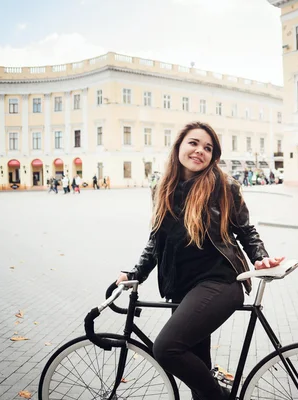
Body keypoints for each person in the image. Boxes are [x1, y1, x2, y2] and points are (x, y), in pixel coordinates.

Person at [116, 121, 285, 400]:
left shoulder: (224, 186)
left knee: (166, 348)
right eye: (193, 143)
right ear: (179, 146)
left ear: (213, 156)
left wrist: (261, 259)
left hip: (219, 282)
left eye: (208, 148)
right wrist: (136, 273)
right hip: (181, 288)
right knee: (197, 374)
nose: (199, 151)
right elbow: (157, 238)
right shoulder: (161, 186)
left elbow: (245, 230)